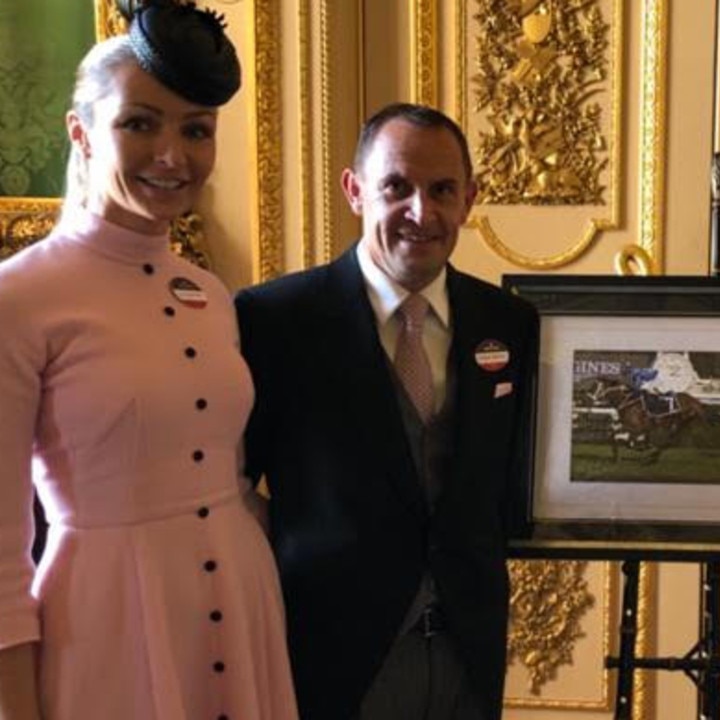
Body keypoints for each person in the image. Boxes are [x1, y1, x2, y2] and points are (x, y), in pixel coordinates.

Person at [0, 1, 297, 718]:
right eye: (139, 123)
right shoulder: (20, 298)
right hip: (105, 627)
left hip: (240, 601)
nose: (173, 154)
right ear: (83, 132)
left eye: (196, 130)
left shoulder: (210, 294)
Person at [235, 103, 539, 719]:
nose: (421, 212)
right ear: (355, 191)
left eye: (442, 189)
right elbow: (229, 481)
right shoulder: (274, 321)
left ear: (470, 199)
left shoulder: (510, 323)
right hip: (330, 653)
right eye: (397, 187)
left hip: (467, 653)